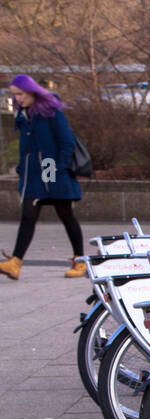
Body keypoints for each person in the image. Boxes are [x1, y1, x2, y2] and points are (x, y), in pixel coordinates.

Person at [1, 75, 85, 280]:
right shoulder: (24, 115)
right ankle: (15, 262)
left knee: (65, 214)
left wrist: (58, 169)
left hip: (51, 169)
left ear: (32, 92)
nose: (17, 99)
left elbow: (66, 143)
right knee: (28, 215)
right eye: (14, 95)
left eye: (20, 94)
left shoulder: (51, 113)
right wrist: (22, 168)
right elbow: (27, 147)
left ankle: (80, 260)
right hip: (33, 173)